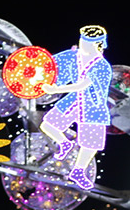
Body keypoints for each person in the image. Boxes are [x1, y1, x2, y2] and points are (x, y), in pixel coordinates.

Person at [39, 25, 112, 190]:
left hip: (93, 105)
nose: (81, 44)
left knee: (90, 143)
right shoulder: (74, 56)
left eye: (85, 42)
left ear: (95, 44)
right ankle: (64, 143)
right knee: (47, 125)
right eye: (81, 40)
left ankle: (78, 171)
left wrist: (56, 90)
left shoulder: (102, 66)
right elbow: (52, 64)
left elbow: (83, 85)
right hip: (74, 101)